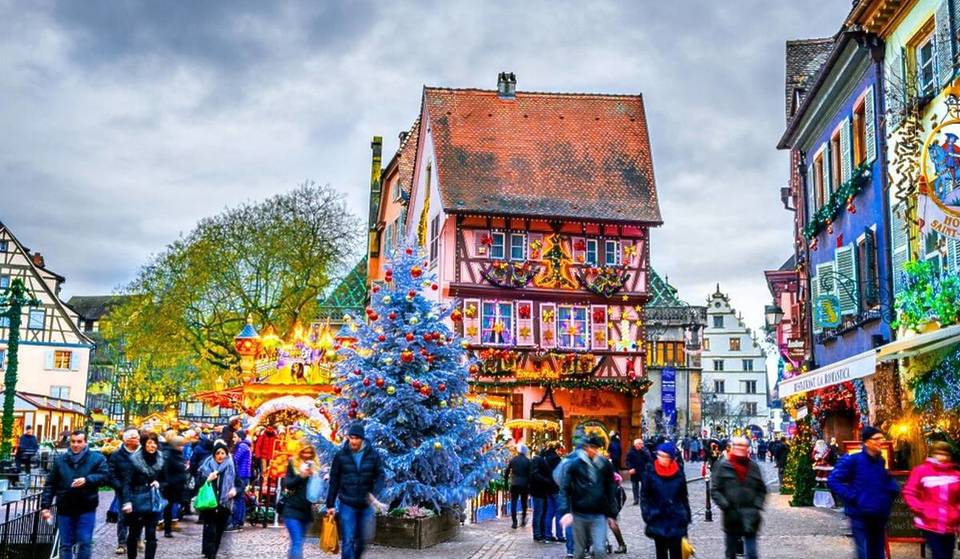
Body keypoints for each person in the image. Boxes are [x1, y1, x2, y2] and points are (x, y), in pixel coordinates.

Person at [828, 426, 900, 559]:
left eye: (882, 438)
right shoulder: (853, 460)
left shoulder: (880, 461)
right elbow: (833, 480)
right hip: (861, 516)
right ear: (867, 442)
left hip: (879, 516)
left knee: (878, 554)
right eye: (877, 439)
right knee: (865, 554)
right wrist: (852, 496)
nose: (881, 441)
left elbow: (884, 481)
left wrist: (892, 489)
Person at [40, 430, 110, 559]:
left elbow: (105, 477)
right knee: (65, 544)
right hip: (65, 507)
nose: (76, 445)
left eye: (79, 441)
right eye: (73, 441)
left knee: (85, 542)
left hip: (86, 506)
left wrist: (87, 480)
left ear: (85, 442)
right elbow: (50, 484)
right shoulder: (60, 460)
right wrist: (45, 506)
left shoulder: (97, 458)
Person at [326, 422, 385, 559]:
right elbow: (334, 480)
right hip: (347, 503)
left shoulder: (373, 455)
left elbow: (380, 475)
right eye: (351, 438)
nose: (353, 441)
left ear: (362, 439)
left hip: (365, 504)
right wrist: (330, 504)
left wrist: (374, 493)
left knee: (363, 541)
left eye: (356, 438)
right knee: (348, 540)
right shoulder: (340, 456)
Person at [559, 434, 617, 559]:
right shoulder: (575, 464)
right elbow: (565, 487)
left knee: (600, 550)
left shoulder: (604, 464)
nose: (593, 450)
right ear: (585, 448)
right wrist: (565, 511)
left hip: (598, 514)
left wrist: (612, 513)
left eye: (596, 448)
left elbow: (611, 488)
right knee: (579, 551)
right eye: (591, 447)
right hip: (579, 513)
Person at [711, 435, 767, 559]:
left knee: (752, 554)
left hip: (751, 516)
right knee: (730, 553)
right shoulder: (723, 466)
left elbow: (761, 489)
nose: (740, 448)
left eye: (743, 446)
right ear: (732, 447)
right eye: (738, 445)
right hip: (731, 516)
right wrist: (725, 506)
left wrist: (757, 506)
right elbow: (715, 490)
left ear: (747, 448)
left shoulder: (753, 467)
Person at [903, 441, 960, 559]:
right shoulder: (921, 471)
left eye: (945, 454)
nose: (942, 457)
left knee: (948, 554)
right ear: (932, 454)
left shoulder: (956, 475)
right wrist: (922, 509)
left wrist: (957, 512)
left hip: (950, 523)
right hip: (930, 522)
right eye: (938, 454)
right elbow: (910, 491)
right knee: (939, 554)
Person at [641, 441, 691, 559]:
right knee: (661, 553)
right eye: (659, 455)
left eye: (664, 456)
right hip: (657, 517)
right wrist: (647, 514)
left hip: (676, 518)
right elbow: (645, 495)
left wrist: (686, 515)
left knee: (676, 554)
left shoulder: (678, 473)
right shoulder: (651, 472)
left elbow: (683, 496)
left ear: (671, 458)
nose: (661, 459)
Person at [121, 432, 165, 559]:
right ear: (144, 444)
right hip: (137, 500)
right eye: (149, 443)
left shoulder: (161, 459)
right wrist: (127, 501)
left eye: (154, 443)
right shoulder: (135, 460)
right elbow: (127, 482)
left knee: (151, 533)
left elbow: (167, 479)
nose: (152, 446)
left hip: (153, 501)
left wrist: (160, 483)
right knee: (134, 533)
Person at [198, 440, 237, 559]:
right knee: (210, 530)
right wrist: (208, 479)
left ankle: (213, 552)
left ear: (226, 454)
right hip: (209, 503)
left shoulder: (231, 466)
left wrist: (235, 490)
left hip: (224, 503)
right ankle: (210, 554)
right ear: (214, 454)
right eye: (218, 453)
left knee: (219, 530)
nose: (220, 456)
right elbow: (198, 483)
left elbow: (239, 483)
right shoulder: (207, 465)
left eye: (223, 453)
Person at [283, 442, 320, 559]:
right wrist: (301, 476)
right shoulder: (293, 464)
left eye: (310, 452)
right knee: (297, 542)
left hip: (306, 512)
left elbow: (318, 491)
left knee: (297, 542)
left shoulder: (317, 467)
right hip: (292, 509)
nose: (307, 455)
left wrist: (316, 477)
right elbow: (287, 484)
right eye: (304, 452)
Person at [110, 429, 141, 555]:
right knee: (123, 517)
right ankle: (122, 543)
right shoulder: (117, 455)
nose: (137, 439)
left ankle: (137, 538)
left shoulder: (143, 453)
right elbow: (111, 473)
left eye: (138, 436)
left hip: (140, 490)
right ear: (127, 440)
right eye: (134, 437)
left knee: (139, 515)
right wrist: (119, 486)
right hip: (123, 490)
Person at [162, 435, 188, 538]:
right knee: (168, 508)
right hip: (170, 486)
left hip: (177, 486)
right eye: (181, 445)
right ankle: (167, 528)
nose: (183, 447)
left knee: (173, 506)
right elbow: (166, 471)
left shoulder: (178, 454)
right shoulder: (169, 455)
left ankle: (171, 525)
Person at [505, 444, 532, 529]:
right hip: (524, 484)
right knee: (524, 502)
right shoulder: (527, 461)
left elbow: (507, 471)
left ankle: (514, 522)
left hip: (514, 483)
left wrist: (506, 481)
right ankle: (523, 519)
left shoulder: (514, 460)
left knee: (514, 502)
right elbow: (530, 473)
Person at [229, 430, 252, 531]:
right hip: (244, 475)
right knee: (241, 499)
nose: (233, 439)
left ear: (240, 437)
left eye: (235, 437)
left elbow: (235, 459)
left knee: (238, 499)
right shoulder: (245, 446)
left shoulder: (242, 446)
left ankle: (236, 523)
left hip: (241, 476)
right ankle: (239, 522)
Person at [606, 472, 628, 554]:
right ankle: (621, 545)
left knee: (611, 523)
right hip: (610, 503)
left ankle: (621, 545)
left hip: (608, 502)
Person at [626, 438, 650, 506]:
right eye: (641, 444)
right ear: (636, 444)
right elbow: (627, 461)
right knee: (635, 486)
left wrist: (644, 451)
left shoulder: (644, 451)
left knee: (644, 486)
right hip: (634, 471)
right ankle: (636, 499)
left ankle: (643, 498)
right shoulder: (631, 452)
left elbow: (648, 459)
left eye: (642, 444)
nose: (642, 445)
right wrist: (630, 468)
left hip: (643, 470)